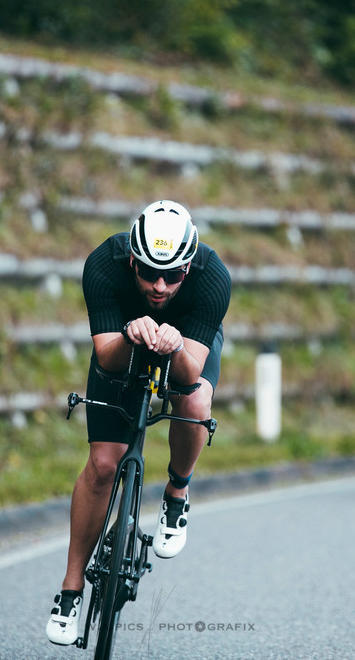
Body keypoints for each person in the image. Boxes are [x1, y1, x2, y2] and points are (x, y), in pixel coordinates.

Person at [46, 200, 232, 646]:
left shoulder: (212, 279)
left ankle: (177, 492)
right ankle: (70, 592)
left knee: (195, 404)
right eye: (149, 273)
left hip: (186, 347)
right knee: (103, 465)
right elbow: (107, 362)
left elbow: (188, 377)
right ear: (132, 257)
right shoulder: (104, 267)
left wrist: (174, 347)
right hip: (122, 342)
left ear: (189, 267)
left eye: (173, 276)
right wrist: (133, 332)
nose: (161, 286)